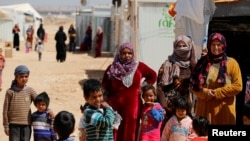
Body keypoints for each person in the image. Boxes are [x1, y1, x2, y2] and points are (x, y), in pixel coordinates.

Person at [102, 42, 157, 141]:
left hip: (133, 107)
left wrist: (142, 87)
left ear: (133, 54)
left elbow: (153, 75)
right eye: (124, 53)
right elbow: (105, 85)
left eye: (129, 53)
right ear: (119, 54)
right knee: (115, 130)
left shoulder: (139, 66)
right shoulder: (112, 68)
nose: (127, 55)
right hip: (115, 107)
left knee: (130, 131)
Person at [190, 32, 243, 125]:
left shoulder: (232, 63)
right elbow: (193, 85)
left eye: (218, 45)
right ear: (209, 46)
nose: (215, 48)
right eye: (213, 45)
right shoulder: (202, 63)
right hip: (204, 110)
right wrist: (205, 93)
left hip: (223, 111)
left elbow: (238, 86)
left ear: (223, 45)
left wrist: (217, 93)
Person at [157, 35, 196, 132]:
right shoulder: (167, 65)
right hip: (170, 111)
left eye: (184, 45)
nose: (181, 48)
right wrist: (164, 107)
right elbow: (159, 88)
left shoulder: (194, 66)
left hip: (189, 110)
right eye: (179, 46)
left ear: (190, 47)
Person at [3, 65, 37, 141]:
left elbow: (40, 102)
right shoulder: (10, 92)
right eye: (21, 76)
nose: (24, 79)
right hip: (13, 125)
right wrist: (6, 125)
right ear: (16, 77)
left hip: (26, 125)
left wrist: (49, 110)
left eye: (26, 76)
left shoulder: (30, 91)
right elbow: (5, 110)